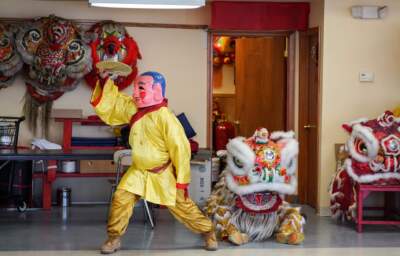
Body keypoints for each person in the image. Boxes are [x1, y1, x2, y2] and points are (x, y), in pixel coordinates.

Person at [91, 71, 218, 254]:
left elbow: (181, 150)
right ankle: (114, 238)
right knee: (121, 199)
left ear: (157, 91)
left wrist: (182, 180)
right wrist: (105, 80)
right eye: (135, 88)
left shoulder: (166, 118)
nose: (134, 93)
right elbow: (115, 103)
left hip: (162, 173)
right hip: (138, 171)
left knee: (183, 208)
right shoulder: (133, 108)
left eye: (140, 88)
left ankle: (208, 232)